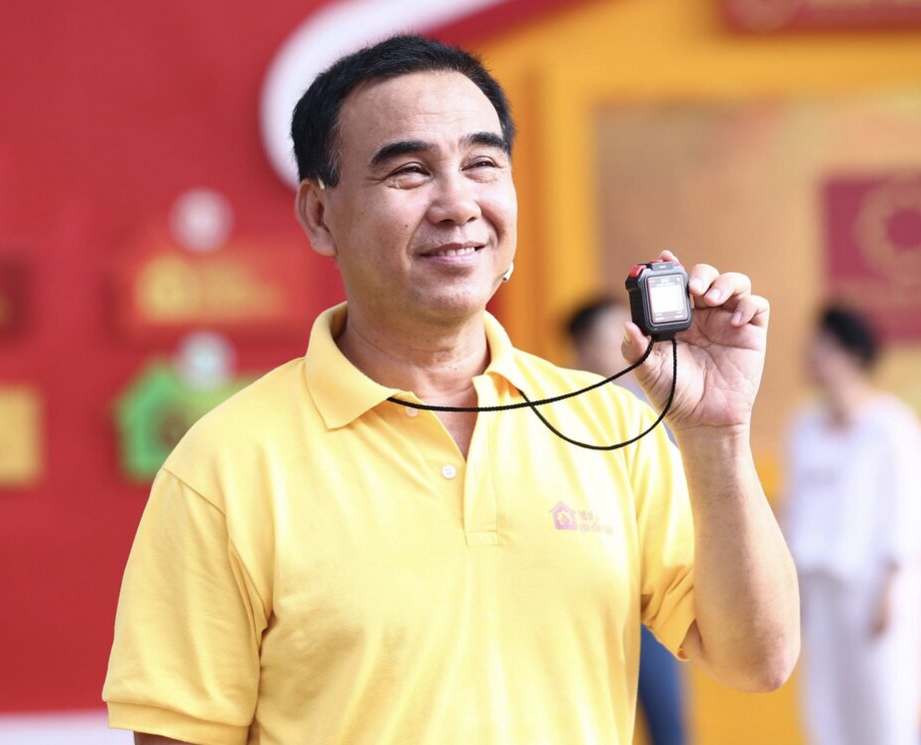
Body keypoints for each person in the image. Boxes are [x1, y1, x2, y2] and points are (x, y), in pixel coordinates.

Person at [103, 34, 800, 745]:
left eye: (482, 164)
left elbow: (757, 658)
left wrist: (716, 433)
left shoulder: (608, 427)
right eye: (409, 171)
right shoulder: (224, 466)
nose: (457, 204)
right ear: (319, 214)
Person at [783, 305, 921, 745]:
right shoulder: (804, 427)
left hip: (874, 591)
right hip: (818, 589)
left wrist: (892, 588)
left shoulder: (891, 426)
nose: (813, 357)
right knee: (826, 709)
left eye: (824, 347)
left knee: (885, 705)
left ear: (853, 354)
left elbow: (907, 510)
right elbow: (795, 508)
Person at [566, 296, 687, 745]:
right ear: (582, 349)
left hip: (649, 587)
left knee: (668, 724)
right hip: (583, 593)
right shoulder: (555, 412)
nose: (631, 346)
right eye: (613, 338)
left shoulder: (657, 405)